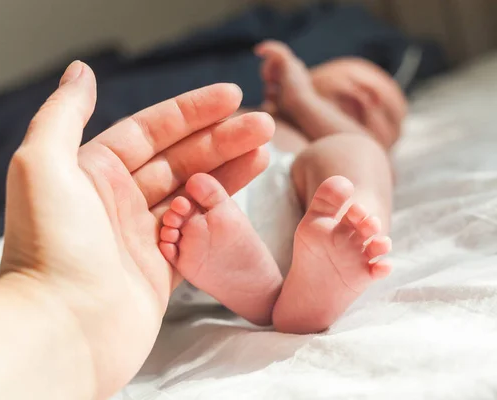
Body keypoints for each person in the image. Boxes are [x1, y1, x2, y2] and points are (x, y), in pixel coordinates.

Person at [0, 61, 275, 399]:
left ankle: (270, 292)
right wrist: (59, 302)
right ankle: (271, 292)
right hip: (196, 229)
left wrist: (52, 301)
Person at [159, 40, 406, 334]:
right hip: (176, 215)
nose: (372, 99)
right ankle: (259, 292)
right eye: (358, 80)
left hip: (304, 233)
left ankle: (348, 233)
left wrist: (305, 101)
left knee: (361, 152)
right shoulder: (256, 114)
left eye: (388, 117)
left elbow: (377, 163)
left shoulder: (327, 150)